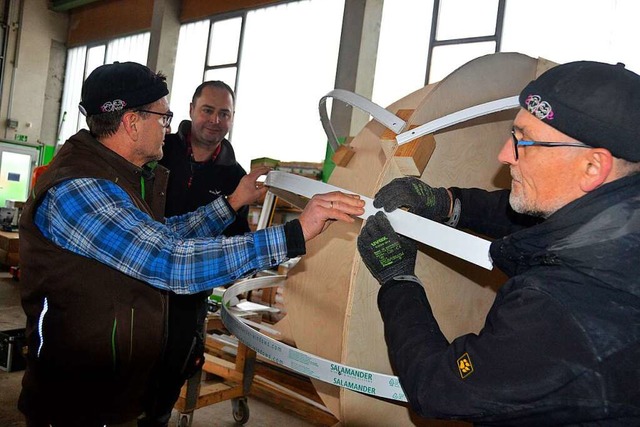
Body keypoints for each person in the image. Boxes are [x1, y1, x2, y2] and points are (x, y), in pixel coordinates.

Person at [18, 61, 365, 427]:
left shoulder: (119, 177)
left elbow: (162, 234)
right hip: (78, 402)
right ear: (132, 121)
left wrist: (231, 202)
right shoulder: (80, 191)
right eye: (162, 118)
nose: (166, 127)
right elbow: (169, 261)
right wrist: (295, 234)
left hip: (120, 390)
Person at [357, 60, 640, 425]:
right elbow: (546, 225)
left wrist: (398, 281)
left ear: (592, 167)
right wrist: (450, 203)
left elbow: (440, 389)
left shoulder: (560, 310)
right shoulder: (620, 213)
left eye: (524, 142)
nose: (504, 154)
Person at [140, 81, 249, 426]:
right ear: (190, 110)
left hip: (190, 293)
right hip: (139, 281)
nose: (215, 120)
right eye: (208, 110)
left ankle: (157, 418)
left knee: (177, 363)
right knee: (130, 356)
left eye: (224, 114)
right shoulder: (159, 151)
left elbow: (234, 238)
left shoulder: (235, 177)